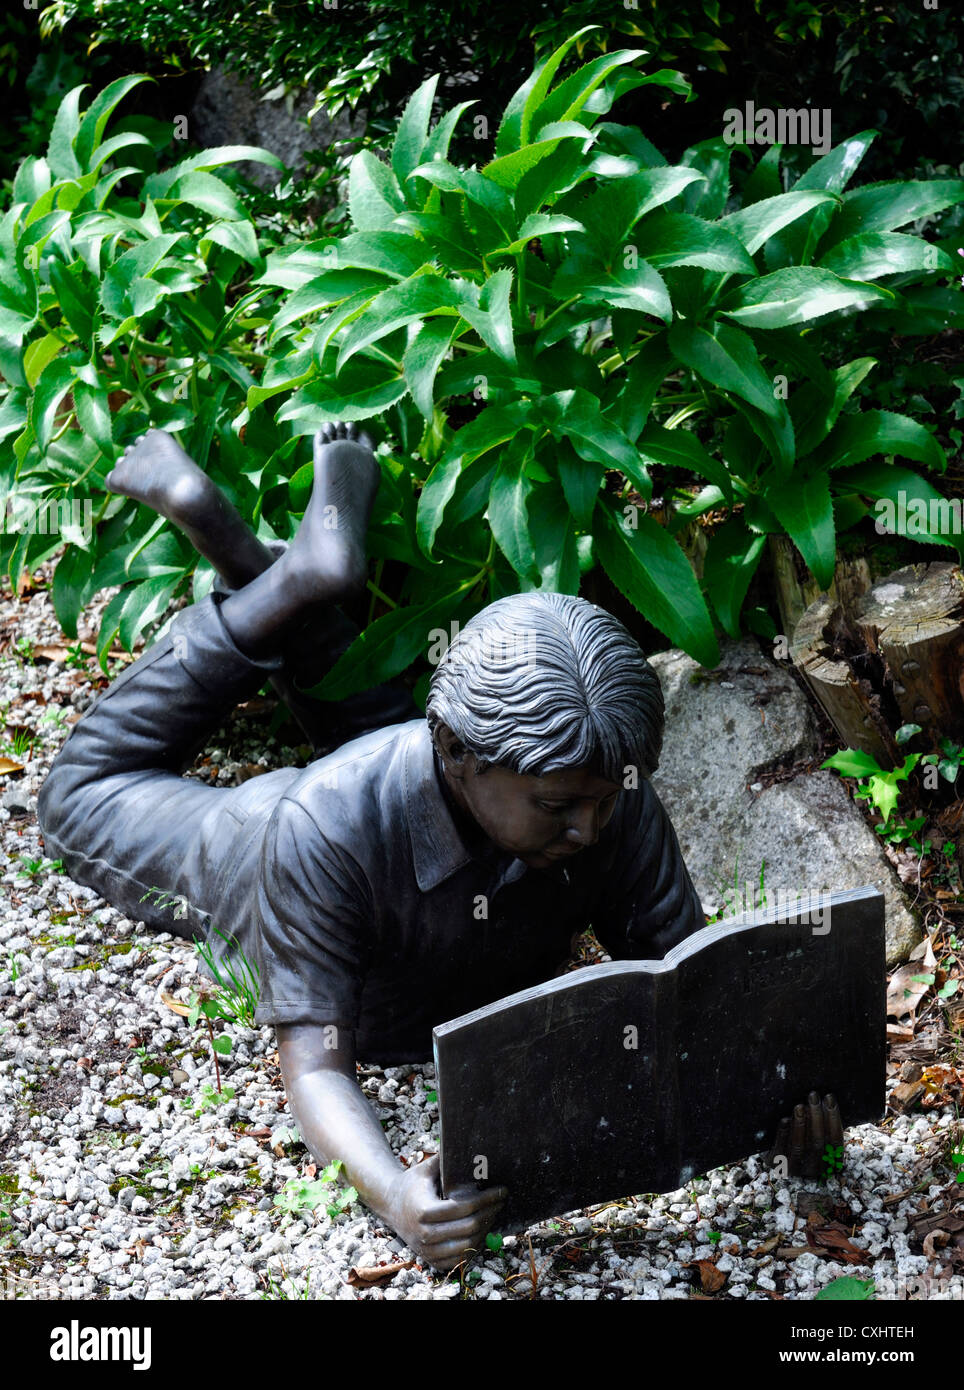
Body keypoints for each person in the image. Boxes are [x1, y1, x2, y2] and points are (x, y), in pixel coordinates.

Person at [37, 424, 834, 1269]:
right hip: (258, 834)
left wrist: (776, 1094)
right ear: (456, 752)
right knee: (78, 796)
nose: (589, 832)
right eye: (561, 808)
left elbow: (697, 985)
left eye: (603, 806)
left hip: (417, 776)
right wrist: (393, 1193)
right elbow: (315, 1066)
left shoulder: (594, 790)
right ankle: (266, 568)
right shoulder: (321, 830)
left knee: (376, 725)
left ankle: (294, 574)